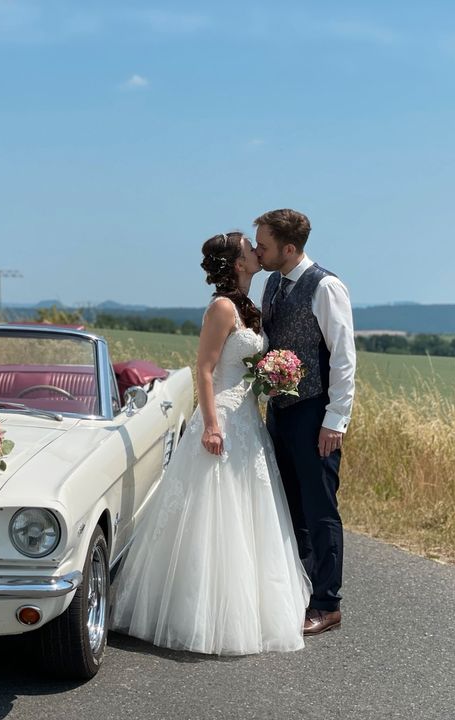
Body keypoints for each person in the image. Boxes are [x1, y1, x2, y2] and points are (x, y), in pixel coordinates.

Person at [111, 231, 310, 655]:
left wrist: (272, 379)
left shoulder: (248, 307)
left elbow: (243, 364)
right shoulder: (222, 307)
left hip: (247, 418)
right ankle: (198, 611)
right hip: (221, 415)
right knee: (212, 511)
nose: (258, 252)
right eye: (249, 249)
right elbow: (204, 369)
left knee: (246, 508)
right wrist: (210, 426)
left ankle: (247, 608)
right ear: (238, 264)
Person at [253, 209, 356, 636]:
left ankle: (328, 604)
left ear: (289, 248)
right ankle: (299, 591)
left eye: (264, 245)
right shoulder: (274, 282)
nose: (258, 252)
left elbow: (345, 359)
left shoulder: (327, 286)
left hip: (315, 413)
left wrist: (335, 421)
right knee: (290, 505)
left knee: (319, 508)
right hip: (280, 410)